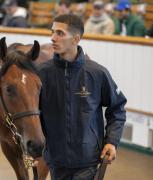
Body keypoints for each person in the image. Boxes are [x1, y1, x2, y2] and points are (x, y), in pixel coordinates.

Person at [38, 14, 127, 179]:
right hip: (55, 161)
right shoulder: (42, 73)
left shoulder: (98, 73)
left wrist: (111, 141)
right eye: (52, 32)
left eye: (60, 33)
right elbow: (33, 114)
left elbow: (117, 109)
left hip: (89, 161)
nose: (52, 38)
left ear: (75, 39)